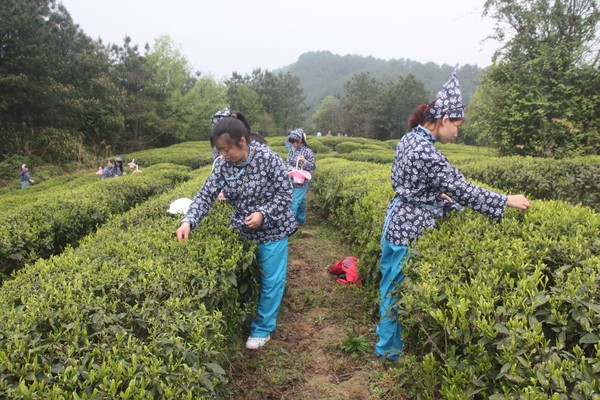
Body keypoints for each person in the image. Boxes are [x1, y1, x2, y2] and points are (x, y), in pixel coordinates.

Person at [376, 72, 530, 361]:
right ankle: (389, 353)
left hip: (397, 219)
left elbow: (415, 183)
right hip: (409, 227)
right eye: (457, 126)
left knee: (389, 286)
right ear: (444, 120)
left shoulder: (410, 139)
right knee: (396, 291)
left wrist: (434, 194)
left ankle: (387, 344)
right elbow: (462, 189)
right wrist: (506, 200)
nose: (458, 133)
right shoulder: (427, 152)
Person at [176, 117, 296, 350]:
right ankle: (249, 312)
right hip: (243, 228)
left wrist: (263, 213)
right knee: (250, 276)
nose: (223, 154)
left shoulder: (269, 159)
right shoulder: (223, 165)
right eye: (219, 150)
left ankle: (263, 328)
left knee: (271, 280)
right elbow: (205, 194)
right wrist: (189, 221)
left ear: (242, 141)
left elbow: (285, 194)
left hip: (273, 230)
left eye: (226, 149)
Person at [285, 128, 316, 224]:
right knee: (300, 200)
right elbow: (287, 163)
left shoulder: (307, 151)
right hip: (293, 179)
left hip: (303, 181)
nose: (294, 144)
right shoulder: (292, 151)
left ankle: (290, 224)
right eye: (292, 142)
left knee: (294, 201)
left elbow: (313, 166)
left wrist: (304, 161)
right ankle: (301, 219)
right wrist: (292, 169)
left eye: (295, 142)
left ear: (301, 140)